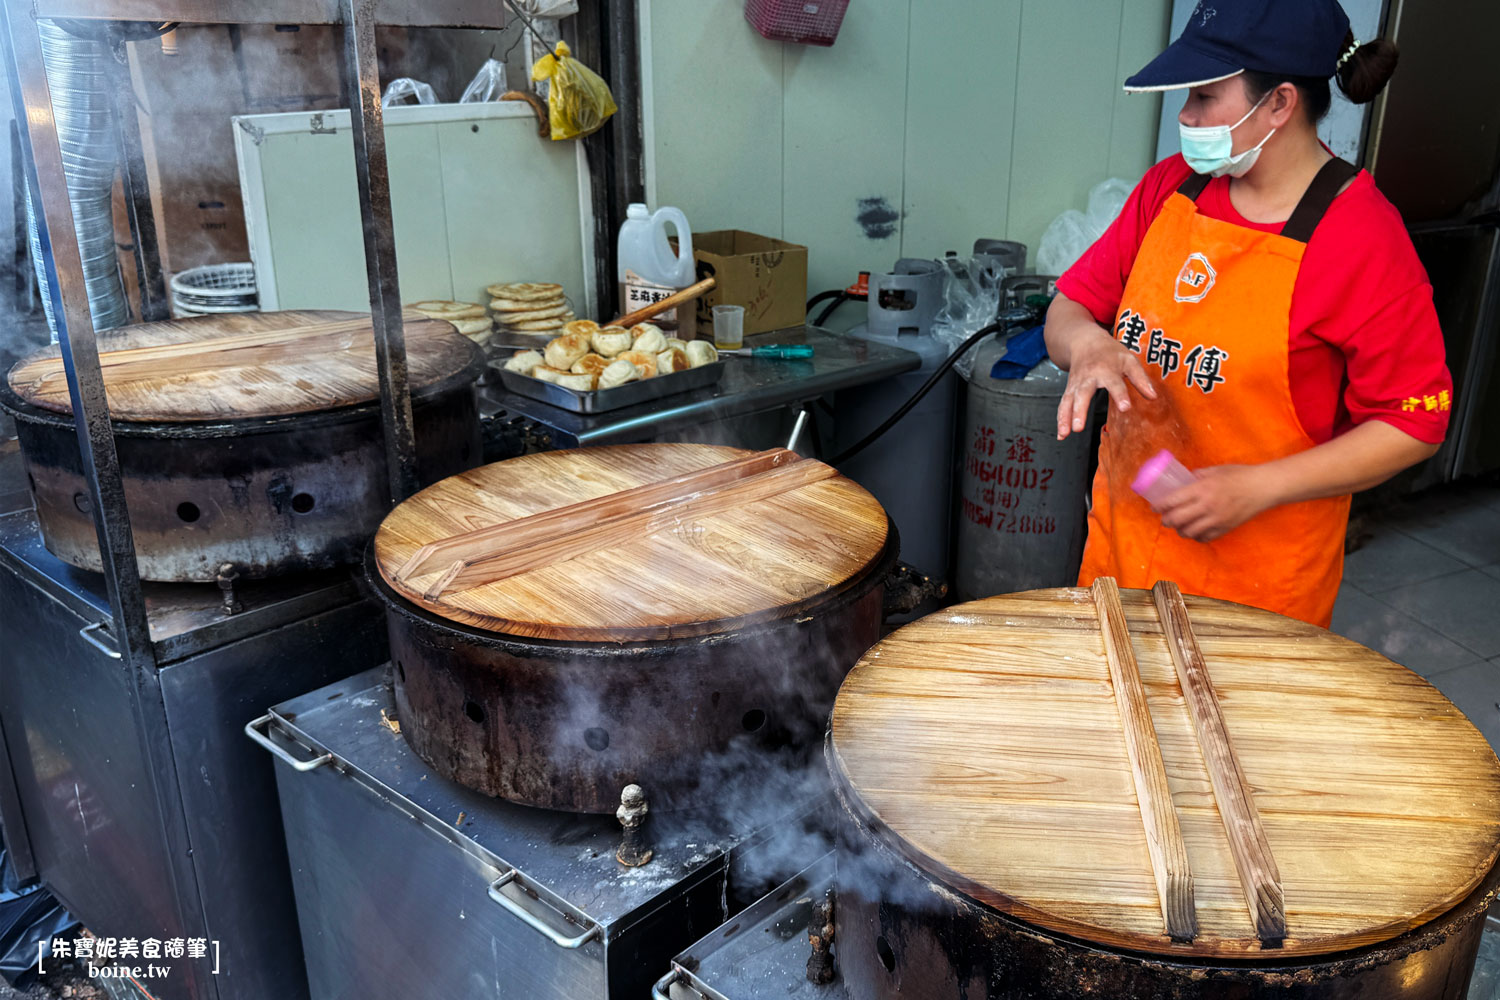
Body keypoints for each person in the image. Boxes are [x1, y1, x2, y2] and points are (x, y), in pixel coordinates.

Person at [1044, 0, 1451, 627]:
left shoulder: (1360, 237)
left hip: (1254, 594)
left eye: (1205, 95)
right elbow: (1070, 307)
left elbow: (1412, 424)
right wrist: (1088, 345)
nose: (1186, 115)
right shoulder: (1171, 189)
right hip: (1121, 555)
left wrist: (1256, 488)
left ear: (1281, 103)